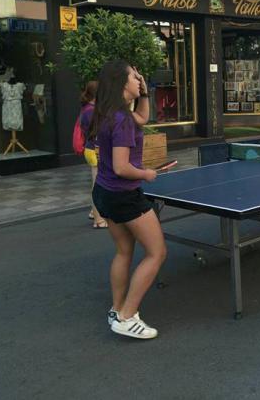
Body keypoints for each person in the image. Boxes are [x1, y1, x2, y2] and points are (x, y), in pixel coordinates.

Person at [90, 60, 166, 340]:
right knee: (157, 253)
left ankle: (117, 309)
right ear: (122, 83)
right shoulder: (121, 120)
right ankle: (126, 316)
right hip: (124, 195)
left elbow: (143, 119)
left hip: (105, 192)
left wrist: (144, 93)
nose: (139, 80)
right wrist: (146, 173)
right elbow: (122, 167)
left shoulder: (112, 113)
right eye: (135, 78)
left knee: (124, 252)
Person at [79, 81, 106, 229]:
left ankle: (92, 212)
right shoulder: (91, 111)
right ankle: (99, 220)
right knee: (97, 186)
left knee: (98, 183)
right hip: (94, 150)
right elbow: (97, 132)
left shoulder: (88, 109)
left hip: (92, 149)